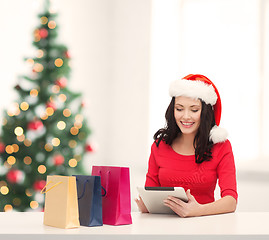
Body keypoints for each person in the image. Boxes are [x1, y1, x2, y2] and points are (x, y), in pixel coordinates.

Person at [135, 74, 238, 217]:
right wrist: (147, 206)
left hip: (204, 225)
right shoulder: (159, 146)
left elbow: (230, 201)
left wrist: (197, 211)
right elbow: (150, 193)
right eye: (179, 109)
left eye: (194, 110)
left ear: (205, 112)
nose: (186, 116)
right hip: (164, 227)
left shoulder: (221, 147)